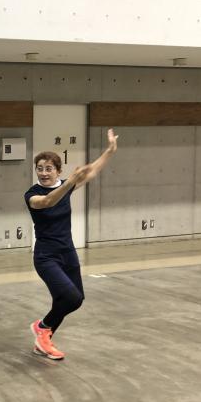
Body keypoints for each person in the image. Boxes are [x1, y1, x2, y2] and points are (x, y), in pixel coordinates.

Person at [25, 128, 118, 360]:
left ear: (58, 171)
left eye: (49, 168)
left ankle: (43, 340)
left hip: (67, 253)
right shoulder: (32, 194)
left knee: (73, 300)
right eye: (40, 168)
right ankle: (42, 328)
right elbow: (47, 201)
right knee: (70, 298)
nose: (44, 173)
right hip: (46, 257)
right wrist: (69, 183)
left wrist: (110, 151)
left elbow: (92, 170)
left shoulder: (66, 186)